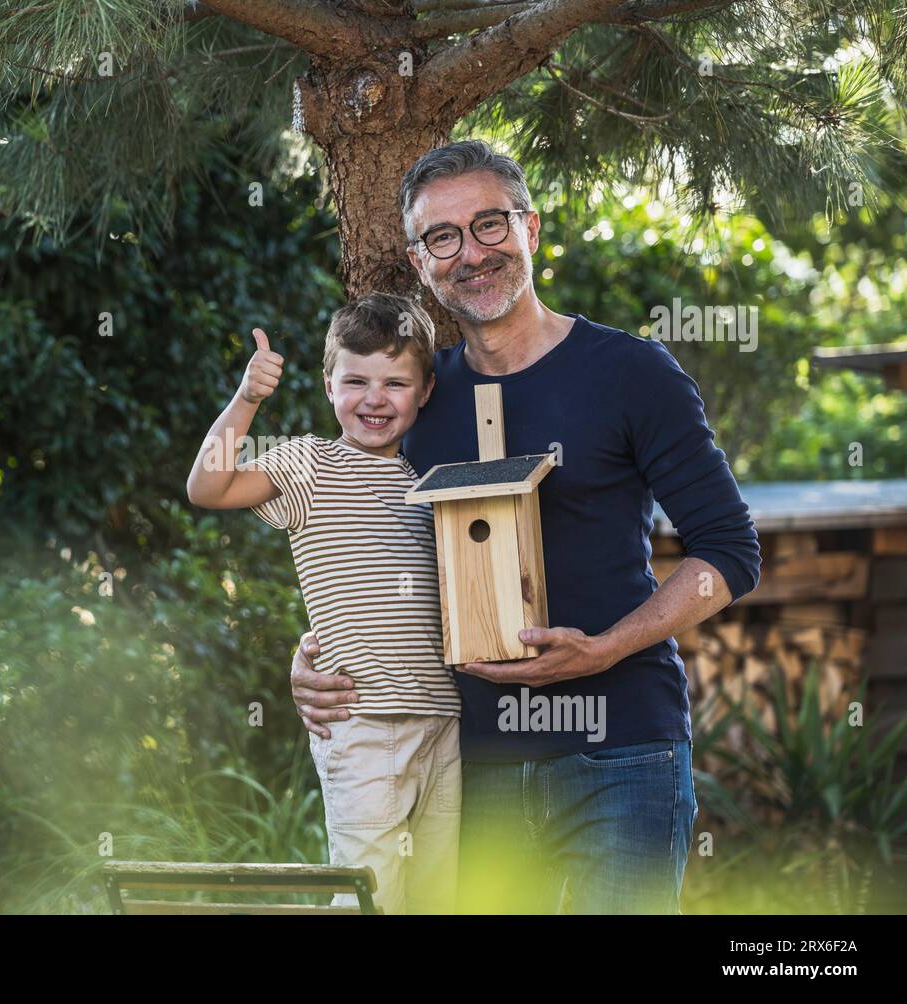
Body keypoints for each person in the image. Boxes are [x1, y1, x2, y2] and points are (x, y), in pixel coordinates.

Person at [288, 140, 762, 914]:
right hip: (479, 768)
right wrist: (309, 658)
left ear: (531, 229)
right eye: (443, 237)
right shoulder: (416, 401)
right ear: (419, 260)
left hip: (625, 750)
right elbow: (357, 545)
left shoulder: (631, 373)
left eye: (489, 225)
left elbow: (731, 554)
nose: (470, 254)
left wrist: (604, 648)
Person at [186, 293, 461, 914]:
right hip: (362, 722)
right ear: (328, 385)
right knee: (368, 891)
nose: (375, 398)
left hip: (445, 718)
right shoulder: (311, 463)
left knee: (438, 895)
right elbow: (208, 486)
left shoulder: (436, 481)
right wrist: (249, 398)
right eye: (356, 380)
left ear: (424, 392)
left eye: (396, 383)